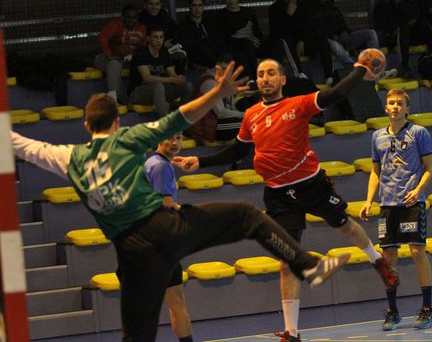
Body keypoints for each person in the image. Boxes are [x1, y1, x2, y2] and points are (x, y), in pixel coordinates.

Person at [11, 61, 350, 342]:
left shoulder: (65, 157)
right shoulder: (128, 139)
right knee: (248, 216)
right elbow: (181, 118)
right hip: (167, 230)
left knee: (136, 337)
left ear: (86, 125)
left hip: (132, 254)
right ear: (116, 123)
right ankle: (308, 266)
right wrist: (218, 92)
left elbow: (20, 144)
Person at [172, 52, 399, 342]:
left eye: (270, 73)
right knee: (287, 260)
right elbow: (237, 151)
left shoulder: (297, 104)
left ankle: (377, 260)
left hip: (310, 184)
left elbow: (334, 94)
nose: (264, 78)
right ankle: (292, 333)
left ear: (281, 79)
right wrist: (200, 163)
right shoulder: (251, 115)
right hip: (279, 195)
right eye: (261, 74)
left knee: (343, 225)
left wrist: (358, 69)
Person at [360, 88, 432, 331]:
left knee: (416, 252)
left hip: (411, 203)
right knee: (388, 258)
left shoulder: (419, 133)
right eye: (391, 103)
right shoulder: (377, 137)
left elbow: (429, 168)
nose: (395, 107)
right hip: (387, 205)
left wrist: (418, 190)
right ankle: (392, 311)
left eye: (399, 103)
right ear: (386, 108)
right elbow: (375, 171)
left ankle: (427, 309)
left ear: (407, 108)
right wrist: (369, 200)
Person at [144, 133, 194, 342]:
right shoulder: (161, 167)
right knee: (176, 301)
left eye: (179, 138)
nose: (175, 143)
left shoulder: (152, 162)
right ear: (158, 140)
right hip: (160, 241)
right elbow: (166, 204)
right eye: (169, 138)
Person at [303, 0, 387, 85]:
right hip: (326, 43)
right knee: (333, 45)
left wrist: (344, 31)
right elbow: (315, 30)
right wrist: (333, 35)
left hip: (341, 37)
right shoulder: (307, 9)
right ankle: (356, 72)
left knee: (370, 33)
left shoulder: (330, 5)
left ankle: (375, 69)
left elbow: (340, 21)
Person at [128, 25, 193, 117]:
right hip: (138, 93)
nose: (159, 40)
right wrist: (172, 79)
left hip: (159, 91)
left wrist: (178, 79)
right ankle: (166, 125)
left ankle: (182, 120)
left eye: (161, 37)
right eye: (155, 37)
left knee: (187, 86)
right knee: (158, 85)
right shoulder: (141, 54)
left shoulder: (164, 53)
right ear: (148, 39)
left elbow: (172, 75)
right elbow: (147, 78)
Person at [374, 0, 427, 78]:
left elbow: (413, 17)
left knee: (422, 24)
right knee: (403, 29)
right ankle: (405, 67)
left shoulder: (404, 1)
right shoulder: (381, 5)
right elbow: (382, 25)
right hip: (389, 37)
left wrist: (400, 5)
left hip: (406, 34)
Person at [95, 4, 147, 103]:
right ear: (122, 17)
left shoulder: (142, 29)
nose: (131, 20)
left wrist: (134, 56)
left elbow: (143, 47)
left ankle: (140, 98)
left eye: (134, 17)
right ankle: (114, 99)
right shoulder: (116, 25)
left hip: (129, 60)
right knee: (115, 64)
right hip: (108, 58)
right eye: (128, 17)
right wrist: (109, 55)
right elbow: (103, 37)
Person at [188, 53, 244, 142]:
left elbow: (231, 107)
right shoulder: (209, 83)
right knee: (251, 122)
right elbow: (220, 113)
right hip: (204, 128)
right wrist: (245, 115)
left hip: (216, 123)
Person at [215, 0, 263, 84]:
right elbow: (224, 39)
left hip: (251, 46)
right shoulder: (221, 15)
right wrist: (245, 40)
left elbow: (257, 33)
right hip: (234, 48)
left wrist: (257, 42)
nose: (231, 0)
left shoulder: (249, 12)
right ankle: (252, 79)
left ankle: (253, 79)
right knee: (243, 50)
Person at [266, 0, 307, 79]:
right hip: (281, 41)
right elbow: (278, 32)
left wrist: (302, 41)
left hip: (301, 41)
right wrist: (289, 15)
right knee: (286, 42)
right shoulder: (276, 8)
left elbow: (309, 27)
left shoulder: (303, 7)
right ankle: (298, 73)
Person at [175, 0, 225, 70]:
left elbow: (218, 39)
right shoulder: (184, 25)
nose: (197, 9)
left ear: (203, 6)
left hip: (213, 53)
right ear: (189, 7)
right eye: (194, 6)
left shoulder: (210, 22)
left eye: (200, 5)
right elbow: (187, 46)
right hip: (198, 56)